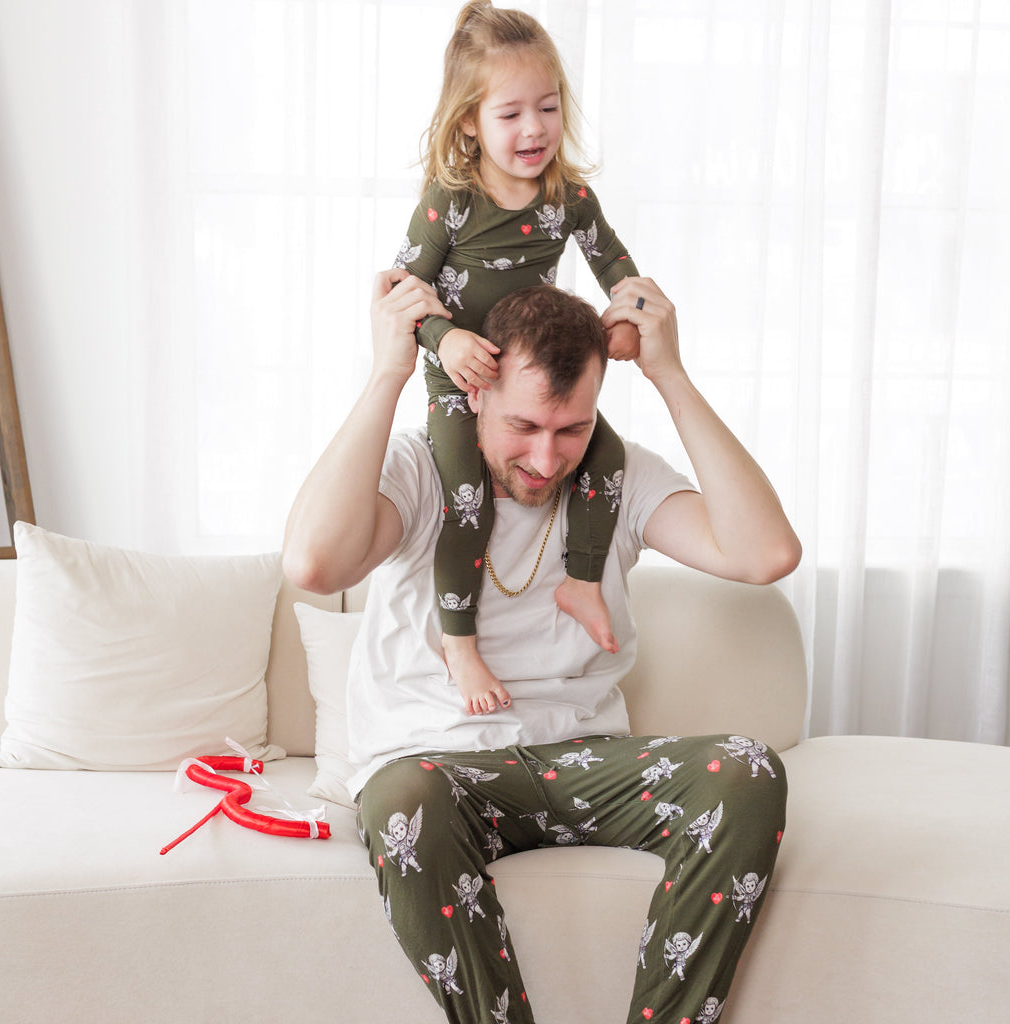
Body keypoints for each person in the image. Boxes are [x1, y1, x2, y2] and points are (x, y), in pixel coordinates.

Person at [283, 268, 801, 1024]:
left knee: (748, 772)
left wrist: (672, 377)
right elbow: (314, 565)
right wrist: (388, 372)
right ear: (476, 394)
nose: (547, 459)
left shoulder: (614, 482)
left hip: (580, 760)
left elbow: (765, 555)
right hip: (437, 768)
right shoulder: (424, 468)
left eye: (572, 429)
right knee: (403, 799)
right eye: (523, 427)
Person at [396, 0, 643, 716]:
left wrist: (625, 316)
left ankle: (583, 580)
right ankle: (459, 641)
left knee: (606, 455)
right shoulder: (452, 201)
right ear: (469, 120)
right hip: (460, 382)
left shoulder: (568, 199)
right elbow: (405, 293)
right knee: (467, 502)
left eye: (547, 107)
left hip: (528, 386)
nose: (533, 128)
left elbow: (616, 266)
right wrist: (447, 340)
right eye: (510, 114)